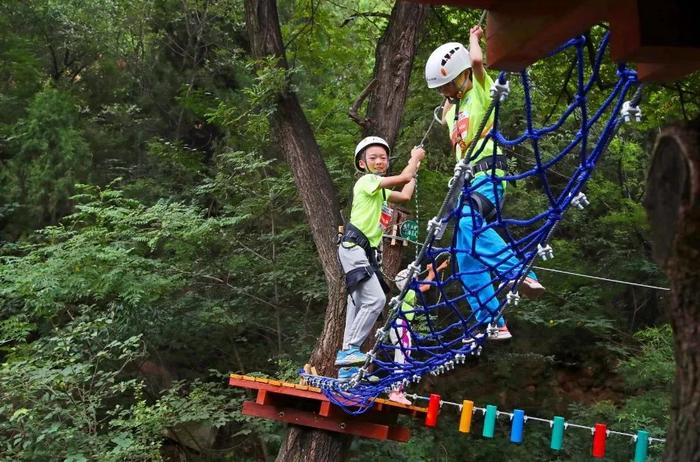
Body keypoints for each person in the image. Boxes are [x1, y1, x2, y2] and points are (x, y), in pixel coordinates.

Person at [424, 25, 545, 340]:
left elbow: (478, 65)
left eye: (449, 85)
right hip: (466, 183)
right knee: (465, 259)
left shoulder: (479, 91)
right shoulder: (454, 110)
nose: (445, 92)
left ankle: (520, 272)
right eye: (442, 89)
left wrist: (473, 39)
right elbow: (445, 112)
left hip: (487, 175)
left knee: (467, 223)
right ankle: (492, 321)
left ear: (462, 75)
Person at [335, 136, 425, 381]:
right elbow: (403, 179)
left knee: (358, 306)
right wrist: (413, 160)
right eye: (372, 158)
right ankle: (350, 351)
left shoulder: (381, 193)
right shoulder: (366, 182)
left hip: (362, 253)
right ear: (362, 164)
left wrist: (414, 169)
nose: (378, 161)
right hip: (354, 248)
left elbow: (405, 194)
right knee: (375, 299)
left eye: (383, 158)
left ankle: (348, 368)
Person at [389, 255, 451, 405]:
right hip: (401, 326)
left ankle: (398, 390)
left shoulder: (407, 290)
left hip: (401, 327)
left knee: (403, 358)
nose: (416, 279)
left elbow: (425, 281)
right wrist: (432, 271)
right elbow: (427, 285)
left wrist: (439, 268)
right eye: (413, 278)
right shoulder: (408, 292)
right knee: (403, 359)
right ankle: (396, 391)